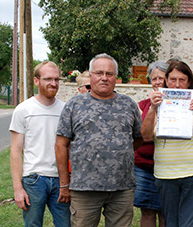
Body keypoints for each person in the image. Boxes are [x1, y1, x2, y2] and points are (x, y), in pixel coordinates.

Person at [55, 53, 143, 227]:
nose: (104, 78)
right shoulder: (74, 105)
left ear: (116, 78)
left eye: (109, 74)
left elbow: (138, 139)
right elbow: (61, 145)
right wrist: (64, 184)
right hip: (84, 188)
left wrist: (118, 151)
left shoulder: (129, 105)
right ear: (91, 75)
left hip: (122, 188)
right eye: (99, 73)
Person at [141, 60, 193, 227]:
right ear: (166, 80)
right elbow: (145, 136)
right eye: (173, 79)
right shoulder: (158, 104)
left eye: (182, 80)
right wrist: (153, 109)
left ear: (189, 81)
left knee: (188, 223)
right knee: (170, 222)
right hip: (165, 174)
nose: (177, 84)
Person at [9, 61, 70, 226]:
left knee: (66, 224)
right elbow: (15, 151)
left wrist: (68, 181)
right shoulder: (24, 110)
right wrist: (18, 189)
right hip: (34, 180)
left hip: (61, 180)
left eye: (57, 79)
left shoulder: (66, 110)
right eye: (48, 79)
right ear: (36, 81)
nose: (53, 83)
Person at [134, 61, 168, 227]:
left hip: (167, 166)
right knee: (147, 210)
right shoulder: (143, 105)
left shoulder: (175, 104)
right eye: (154, 78)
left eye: (161, 78)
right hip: (144, 167)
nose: (157, 82)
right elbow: (143, 134)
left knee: (165, 211)